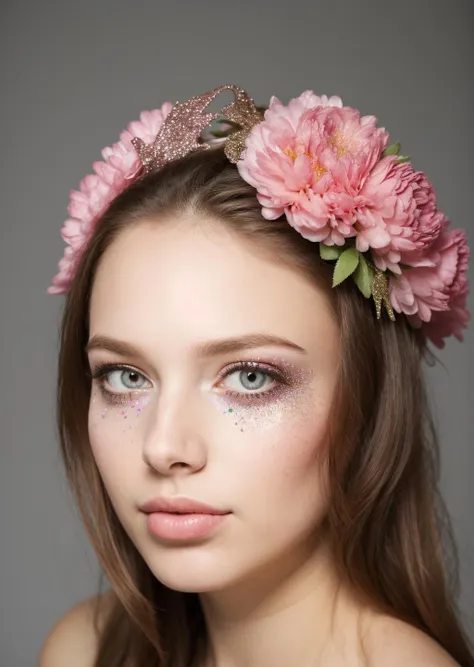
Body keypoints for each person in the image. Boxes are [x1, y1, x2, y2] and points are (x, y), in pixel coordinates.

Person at [40, 85, 473, 667]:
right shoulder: (84, 650)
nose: (165, 447)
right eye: (125, 377)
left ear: (367, 398)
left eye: (248, 378)